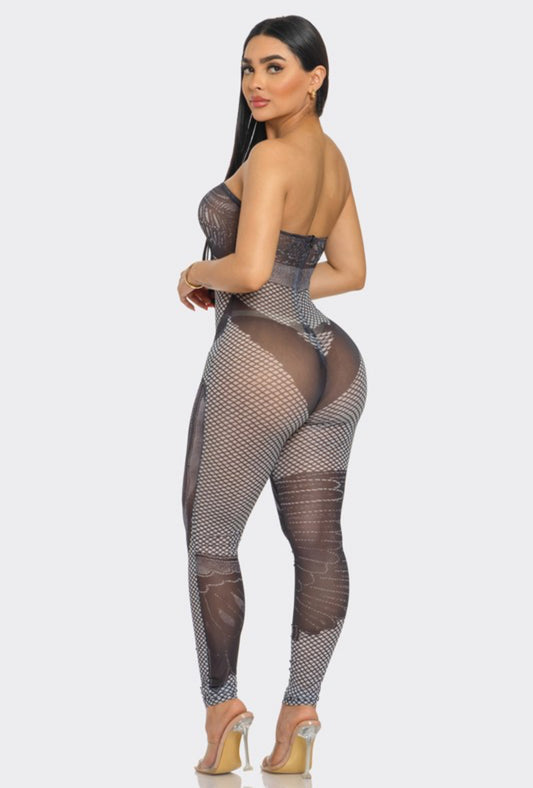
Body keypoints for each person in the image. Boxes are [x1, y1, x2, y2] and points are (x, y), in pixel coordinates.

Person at [177, 14, 368, 778]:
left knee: (211, 538)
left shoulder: (271, 158)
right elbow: (349, 271)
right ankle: (300, 718)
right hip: (334, 362)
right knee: (318, 543)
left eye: (275, 67)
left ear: (315, 78)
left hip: (260, 360)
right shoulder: (331, 158)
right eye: (247, 68)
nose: (255, 83)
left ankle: (223, 714)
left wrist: (195, 274)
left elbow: (250, 270)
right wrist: (282, 290)